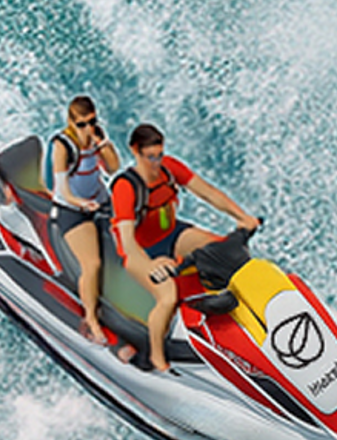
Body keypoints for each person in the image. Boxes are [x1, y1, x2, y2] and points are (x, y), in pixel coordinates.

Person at [108, 122, 264, 376]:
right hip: (140, 252)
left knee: (222, 254)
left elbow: (209, 193)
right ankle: (157, 359)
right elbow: (127, 241)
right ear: (135, 152)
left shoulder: (169, 168)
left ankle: (237, 323)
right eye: (149, 157)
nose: (156, 163)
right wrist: (150, 266)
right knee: (167, 296)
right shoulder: (125, 187)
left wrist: (242, 217)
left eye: (159, 155)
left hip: (173, 235)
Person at [42, 96, 125, 353]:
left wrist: (103, 143)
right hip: (72, 211)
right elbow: (63, 191)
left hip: (100, 204)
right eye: (81, 124)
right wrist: (82, 204)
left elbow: (113, 169)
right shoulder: (62, 146)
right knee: (93, 263)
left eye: (91, 122)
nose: (87, 128)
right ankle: (91, 318)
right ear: (70, 122)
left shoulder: (96, 138)